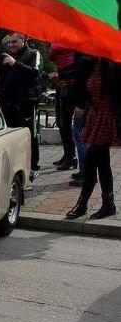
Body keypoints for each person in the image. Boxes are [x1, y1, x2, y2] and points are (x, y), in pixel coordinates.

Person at [66, 57, 119, 220]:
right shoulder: (89, 63)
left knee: (91, 161)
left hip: (108, 115)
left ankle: (83, 204)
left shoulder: (113, 63)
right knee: (102, 162)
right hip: (95, 114)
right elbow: (80, 84)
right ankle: (107, 204)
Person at [0, 32, 42, 178]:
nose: (11, 45)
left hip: (26, 103)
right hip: (7, 103)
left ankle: (34, 165)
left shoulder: (33, 54)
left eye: (14, 42)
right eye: (9, 43)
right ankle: (14, 163)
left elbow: (35, 73)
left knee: (29, 134)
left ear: (23, 40)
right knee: (10, 134)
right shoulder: (6, 56)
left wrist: (15, 64)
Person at [48, 44, 80, 171]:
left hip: (69, 85)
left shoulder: (72, 40)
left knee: (65, 124)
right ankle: (68, 154)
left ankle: (71, 157)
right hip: (62, 84)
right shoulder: (58, 39)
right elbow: (50, 56)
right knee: (62, 123)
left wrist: (54, 48)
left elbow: (76, 69)